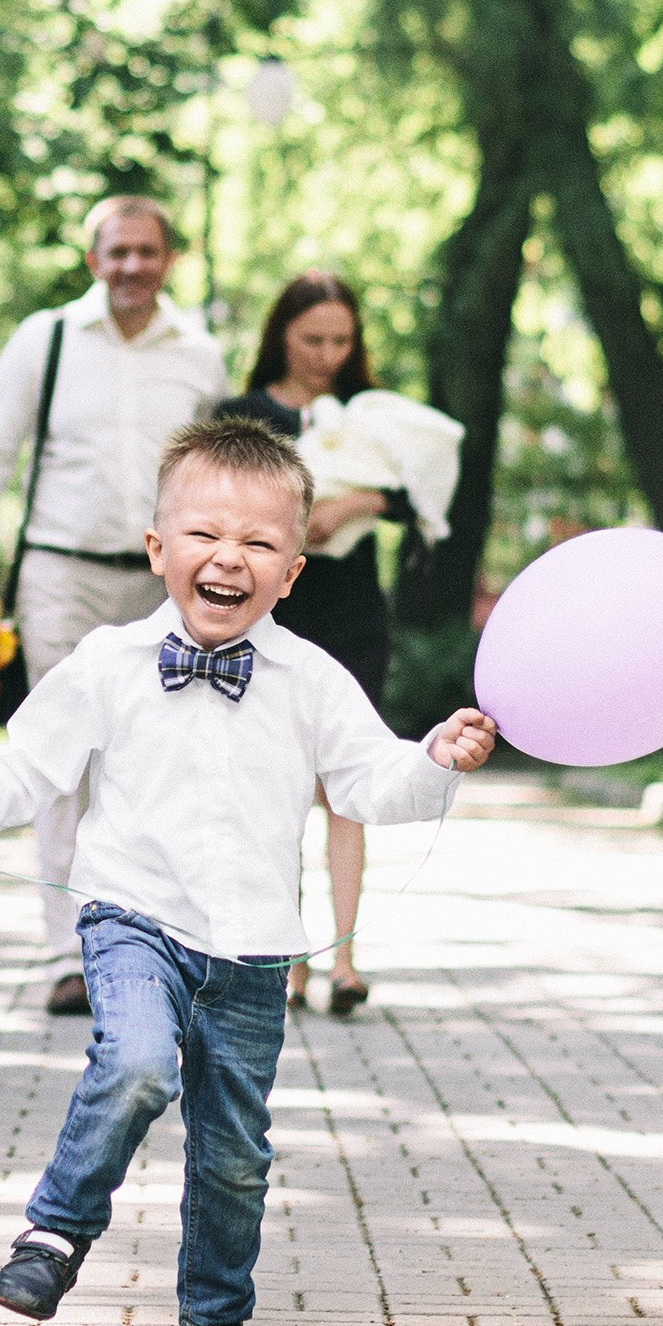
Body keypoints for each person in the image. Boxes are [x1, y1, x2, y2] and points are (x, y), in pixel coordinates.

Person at [0, 418, 497, 1326]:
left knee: (233, 1155)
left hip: (255, 948)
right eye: (206, 536)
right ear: (157, 550)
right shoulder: (106, 662)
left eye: (259, 545)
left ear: (292, 573)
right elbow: (28, 762)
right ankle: (54, 1230)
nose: (230, 559)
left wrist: (434, 756)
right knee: (134, 1065)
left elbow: (371, 780)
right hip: (133, 918)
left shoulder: (309, 680)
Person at [0, 196, 228, 1016]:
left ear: (170, 259)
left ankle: (157, 945)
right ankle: (68, 955)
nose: (132, 265)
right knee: (63, 762)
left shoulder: (200, 355)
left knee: (156, 761)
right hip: (61, 575)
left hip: (163, 584)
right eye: (117, 251)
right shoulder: (48, 338)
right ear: (92, 258)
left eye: (147, 251)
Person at [216, 272, 456, 1018]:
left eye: (341, 341)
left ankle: (344, 959)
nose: (326, 353)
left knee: (346, 786)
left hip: (352, 613)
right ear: (280, 335)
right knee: (275, 786)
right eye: (311, 339)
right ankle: (284, 959)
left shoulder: (369, 417)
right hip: (270, 611)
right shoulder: (242, 414)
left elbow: (424, 493)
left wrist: (359, 501)